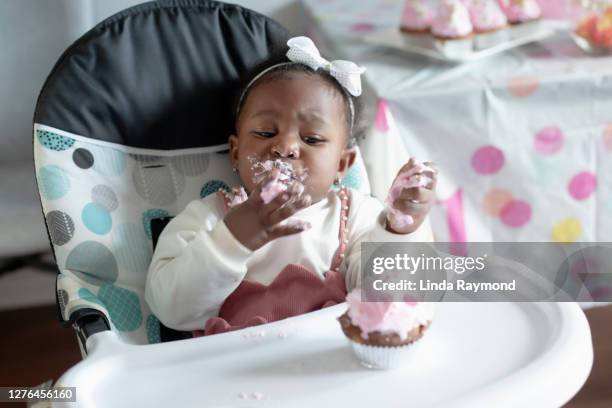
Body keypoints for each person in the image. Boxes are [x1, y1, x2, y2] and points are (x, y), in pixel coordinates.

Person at [145, 37, 437, 336]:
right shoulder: (210, 217)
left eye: (311, 139)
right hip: (236, 373)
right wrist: (233, 238)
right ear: (235, 152)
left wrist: (399, 230)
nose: (284, 147)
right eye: (265, 132)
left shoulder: (358, 216)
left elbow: (388, 297)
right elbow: (171, 310)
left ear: (342, 165)